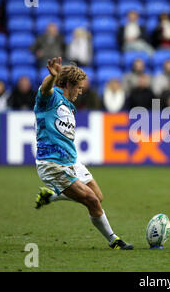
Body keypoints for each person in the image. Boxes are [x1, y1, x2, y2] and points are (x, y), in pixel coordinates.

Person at [34, 57, 133, 250]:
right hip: (53, 164)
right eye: (78, 88)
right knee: (92, 201)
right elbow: (45, 89)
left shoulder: (69, 105)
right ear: (69, 84)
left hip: (71, 162)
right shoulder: (50, 98)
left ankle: (52, 196)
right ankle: (114, 240)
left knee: (97, 196)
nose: (80, 92)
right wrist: (51, 77)